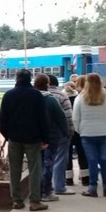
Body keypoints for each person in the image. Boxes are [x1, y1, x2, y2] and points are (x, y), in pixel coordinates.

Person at [0, 69, 50, 211]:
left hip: (14, 138)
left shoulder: (8, 95)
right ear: (30, 79)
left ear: (16, 79)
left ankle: (17, 200)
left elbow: (2, 119)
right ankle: (34, 201)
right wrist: (45, 138)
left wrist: (7, 135)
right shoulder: (36, 95)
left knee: (15, 170)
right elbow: (43, 118)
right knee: (35, 169)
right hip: (33, 138)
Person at [72, 73, 106, 198]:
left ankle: (92, 188)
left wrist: (80, 130)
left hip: (87, 133)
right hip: (105, 132)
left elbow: (75, 118)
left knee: (92, 161)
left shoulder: (80, 98)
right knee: (104, 161)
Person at [35, 74, 68, 202]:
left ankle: (36, 190)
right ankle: (46, 191)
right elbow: (61, 117)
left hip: (34, 137)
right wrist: (65, 132)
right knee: (48, 164)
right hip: (51, 136)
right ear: (47, 84)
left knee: (37, 164)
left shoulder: (32, 99)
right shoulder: (51, 99)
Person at [47, 74, 74, 195]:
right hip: (60, 133)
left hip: (43, 134)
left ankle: (46, 187)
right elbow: (68, 115)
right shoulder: (62, 95)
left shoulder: (37, 95)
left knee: (45, 160)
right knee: (60, 159)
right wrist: (69, 131)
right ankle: (59, 187)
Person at [64, 81, 80, 187]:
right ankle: (85, 178)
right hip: (78, 130)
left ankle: (69, 179)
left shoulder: (63, 98)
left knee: (67, 156)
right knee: (82, 155)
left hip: (67, 130)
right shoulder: (79, 98)